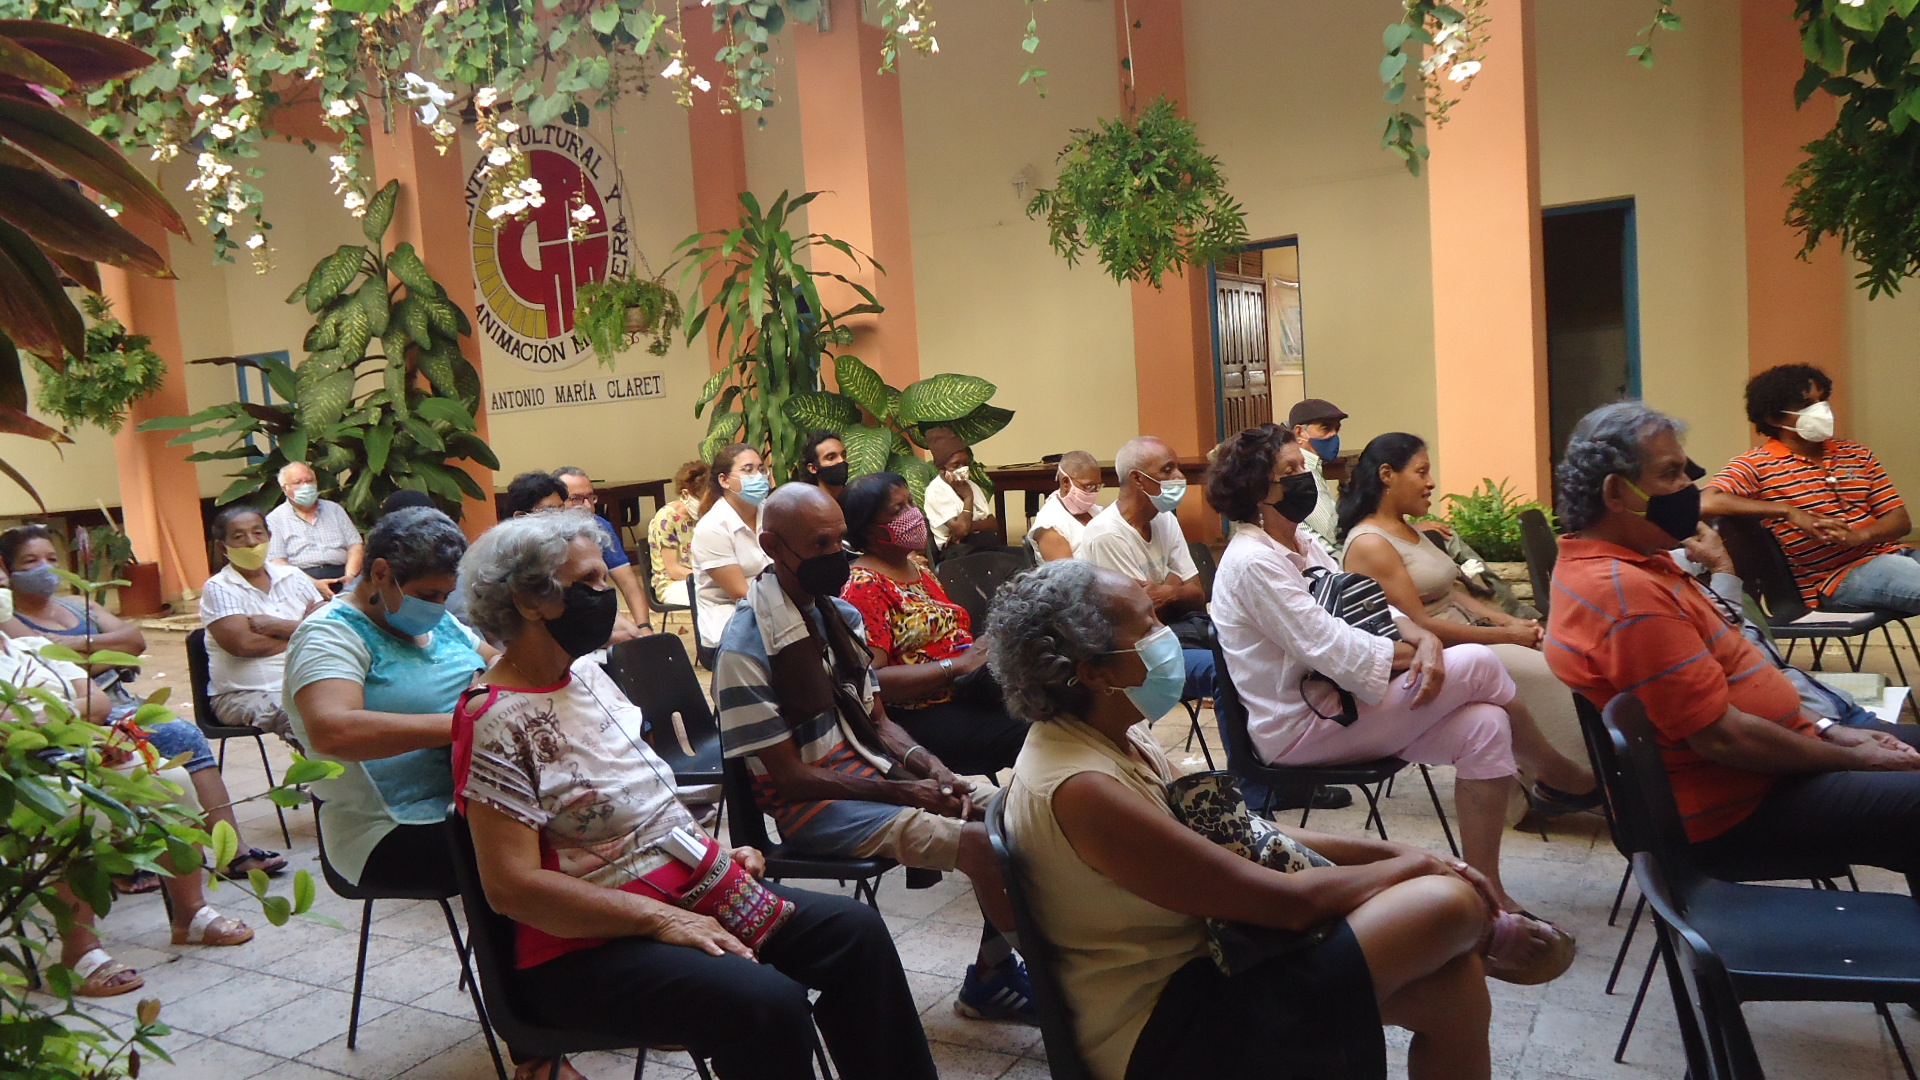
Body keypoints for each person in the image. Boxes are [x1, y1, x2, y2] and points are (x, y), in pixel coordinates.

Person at [453, 510, 936, 1080]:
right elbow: (512, 887)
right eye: (587, 582)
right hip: (583, 947)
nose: (606, 594)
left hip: (681, 894)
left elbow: (640, 803)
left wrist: (711, 854)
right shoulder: (494, 719)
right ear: (528, 601)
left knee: (854, 936)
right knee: (766, 1003)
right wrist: (660, 920)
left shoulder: (588, 676)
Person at [991, 560, 1498, 1080]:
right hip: (1167, 1028)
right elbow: (1287, 905)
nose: (1167, 635)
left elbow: (1241, 828)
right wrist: (1421, 870)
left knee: (1455, 989)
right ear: (1095, 672)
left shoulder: (1117, 733)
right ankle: (1495, 931)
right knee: (1450, 904)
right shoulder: (1082, 787)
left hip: (1212, 968)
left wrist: (1403, 855)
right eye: (1147, 626)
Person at [1205, 424, 1583, 978]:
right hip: (1300, 727)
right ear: (1258, 490)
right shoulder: (1252, 562)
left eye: (1303, 467)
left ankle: (1489, 894)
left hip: (1348, 707)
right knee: (1480, 664)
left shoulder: (1301, 543)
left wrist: (1424, 637)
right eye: (1290, 472)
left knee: (1485, 724)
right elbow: (1334, 649)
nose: (1306, 478)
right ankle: (1557, 774)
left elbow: (1369, 608)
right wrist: (1419, 652)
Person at [1547, 401, 1920, 891]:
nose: (1689, 487)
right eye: (1672, 473)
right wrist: (1851, 756)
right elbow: (1723, 738)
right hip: (1735, 813)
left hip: (1764, 772)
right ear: (1616, 493)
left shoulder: (1637, 564)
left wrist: (1828, 733)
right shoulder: (1625, 594)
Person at [711, 483, 1035, 1022]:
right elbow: (790, 780)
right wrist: (909, 793)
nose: (836, 556)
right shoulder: (745, 649)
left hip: (872, 776)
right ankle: (1054, 982)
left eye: (839, 541)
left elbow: (879, 722)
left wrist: (934, 769)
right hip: (815, 809)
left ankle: (993, 973)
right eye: (819, 545)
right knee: (981, 842)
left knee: (1018, 812)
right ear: (772, 547)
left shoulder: (839, 617)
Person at [2, 524, 286, 880]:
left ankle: (234, 851)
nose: (44, 568)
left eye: (51, 559)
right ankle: (136, 860)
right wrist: (105, 652)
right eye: (30, 561)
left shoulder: (79, 604)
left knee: (185, 736)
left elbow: (136, 641)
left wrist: (76, 648)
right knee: (154, 744)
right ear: (8, 569)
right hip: (77, 714)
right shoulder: (9, 620)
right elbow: (52, 664)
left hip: (119, 701)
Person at [1338, 433, 1599, 813]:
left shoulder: (1409, 529)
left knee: (1570, 655)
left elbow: (1452, 594)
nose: (1431, 482)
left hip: (1472, 635)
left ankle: (1590, 773)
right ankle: (1570, 781)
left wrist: (1512, 621)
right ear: (1387, 474)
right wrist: (1508, 636)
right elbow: (1421, 623)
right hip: (1436, 654)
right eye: (1421, 472)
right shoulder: (1370, 544)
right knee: (1552, 672)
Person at [285, 507, 490, 891]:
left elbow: (500, 667)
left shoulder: (440, 623)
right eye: (428, 595)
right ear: (381, 573)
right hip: (389, 827)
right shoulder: (329, 636)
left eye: (446, 595)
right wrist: (466, 723)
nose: (439, 605)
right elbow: (334, 731)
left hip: (467, 802)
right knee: (537, 850)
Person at [841, 472, 1027, 778]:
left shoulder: (917, 569)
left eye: (911, 503)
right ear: (870, 530)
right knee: (1029, 735)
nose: (913, 514)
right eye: (898, 510)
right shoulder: (864, 586)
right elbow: (875, 682)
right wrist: (956, 666)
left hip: (967, 690)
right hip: (920, 713)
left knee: (1053, 708)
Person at [1703, 363, 1920, 614]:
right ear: (1774, 417)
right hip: (1836, 578)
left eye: (1822, 400)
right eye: (1807, 404)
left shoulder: (1857, 453)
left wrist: (1860, 536)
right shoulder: (1757, 465)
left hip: (1894, 555)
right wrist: (1788, 511)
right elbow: (1706, 501)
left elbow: (1900, 521)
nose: (1822, 410)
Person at [1077, 436, 1214, 714]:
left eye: (1177, 468)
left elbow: (1197, 593)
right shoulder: (1107, 535)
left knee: (1251, 654)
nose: (1179, 477)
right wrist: (1175, 584)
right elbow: (1141, 620)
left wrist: (1167, 592)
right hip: (1139, 654)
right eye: (1167, 470)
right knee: (1223, 670)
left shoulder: (1165, 518)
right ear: (1138, 479)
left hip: (1178, 632)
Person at [199, 505, 327, 745]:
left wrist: (278, 627)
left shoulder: (293, 576)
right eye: (239, 537)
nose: (251, 542)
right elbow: (244, 645)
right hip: (245, 694)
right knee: (303, 719)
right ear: (223, 547)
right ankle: (324, 769)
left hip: (307, 682)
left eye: (258, 533)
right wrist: (305, 629)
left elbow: (330, 627)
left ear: (269, 536)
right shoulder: (220, 587)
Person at [503, 472, 641, 644]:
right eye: (550, 511)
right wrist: (615, 639)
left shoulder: (568, 547)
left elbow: (599, 607)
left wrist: (638, 631)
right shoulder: (510, 565)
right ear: (521, 517)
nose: (561, 519)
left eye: (562, 510)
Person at [552, 466, 655, 632]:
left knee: (634, 636)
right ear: (557, 502)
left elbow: (628, 583)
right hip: (555, 616)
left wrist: (644, 626)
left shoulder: (600, 526)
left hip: (596, 610)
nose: (587, 506)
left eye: (590, 497)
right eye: (576, 499)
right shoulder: (543, 535)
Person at [690, 443, 773, 650]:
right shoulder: (712, 528)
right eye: (748, 470)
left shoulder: (773, 512)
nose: (758, 476)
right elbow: (742, 594)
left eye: (761, 469)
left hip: (776, 613)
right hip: (731, 626)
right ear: (724, 480)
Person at [266, 461, 363, 595]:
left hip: (343, 575)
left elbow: (355, 545)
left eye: (309, 481)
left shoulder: (334, 509)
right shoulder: (275, 519)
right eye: (298, 482)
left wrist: (350, 576)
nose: (305, 486)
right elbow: (277, 561)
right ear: (285, 488)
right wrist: (313, 584)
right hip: (302, 582)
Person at [921, 426, 1001, 555]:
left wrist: (970, 527)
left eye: (965, 463)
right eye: (956, 464)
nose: (962, 468)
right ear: (942, 468)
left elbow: (993, 524)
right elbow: (961, 530)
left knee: (1018, 557)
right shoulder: (936, 491)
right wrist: (968, 498)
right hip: (957, 552)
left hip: (983, 545)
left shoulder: (972, 485)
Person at [647, 460, 707, 609]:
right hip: (672, 583)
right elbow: (673, 570)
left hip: (701, 579)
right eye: (703, 500)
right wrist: (708, 579)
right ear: (686, 494)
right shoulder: (667, 518)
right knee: (713, 597)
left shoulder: (704, 516)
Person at [1290, 397, 1349, 549]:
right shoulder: (1303, 472)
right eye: (1326, 428)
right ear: (1299, 432)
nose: (1333, 435)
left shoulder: (1315, 466)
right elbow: (1335, 532)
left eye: (1337, 429)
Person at [1026, 450, 1101, 562]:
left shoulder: (1094, 510)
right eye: (1089, 486)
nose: (1094, 492)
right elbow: (1067, 572)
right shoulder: (1051, 526)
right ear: (1066, 483)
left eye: (1098, 486)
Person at [796, 430, 850, 501]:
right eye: (831, 458)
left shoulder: (858, 499)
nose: (841, 460)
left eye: (843, 455)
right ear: (813, 468)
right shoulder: (807, 504)